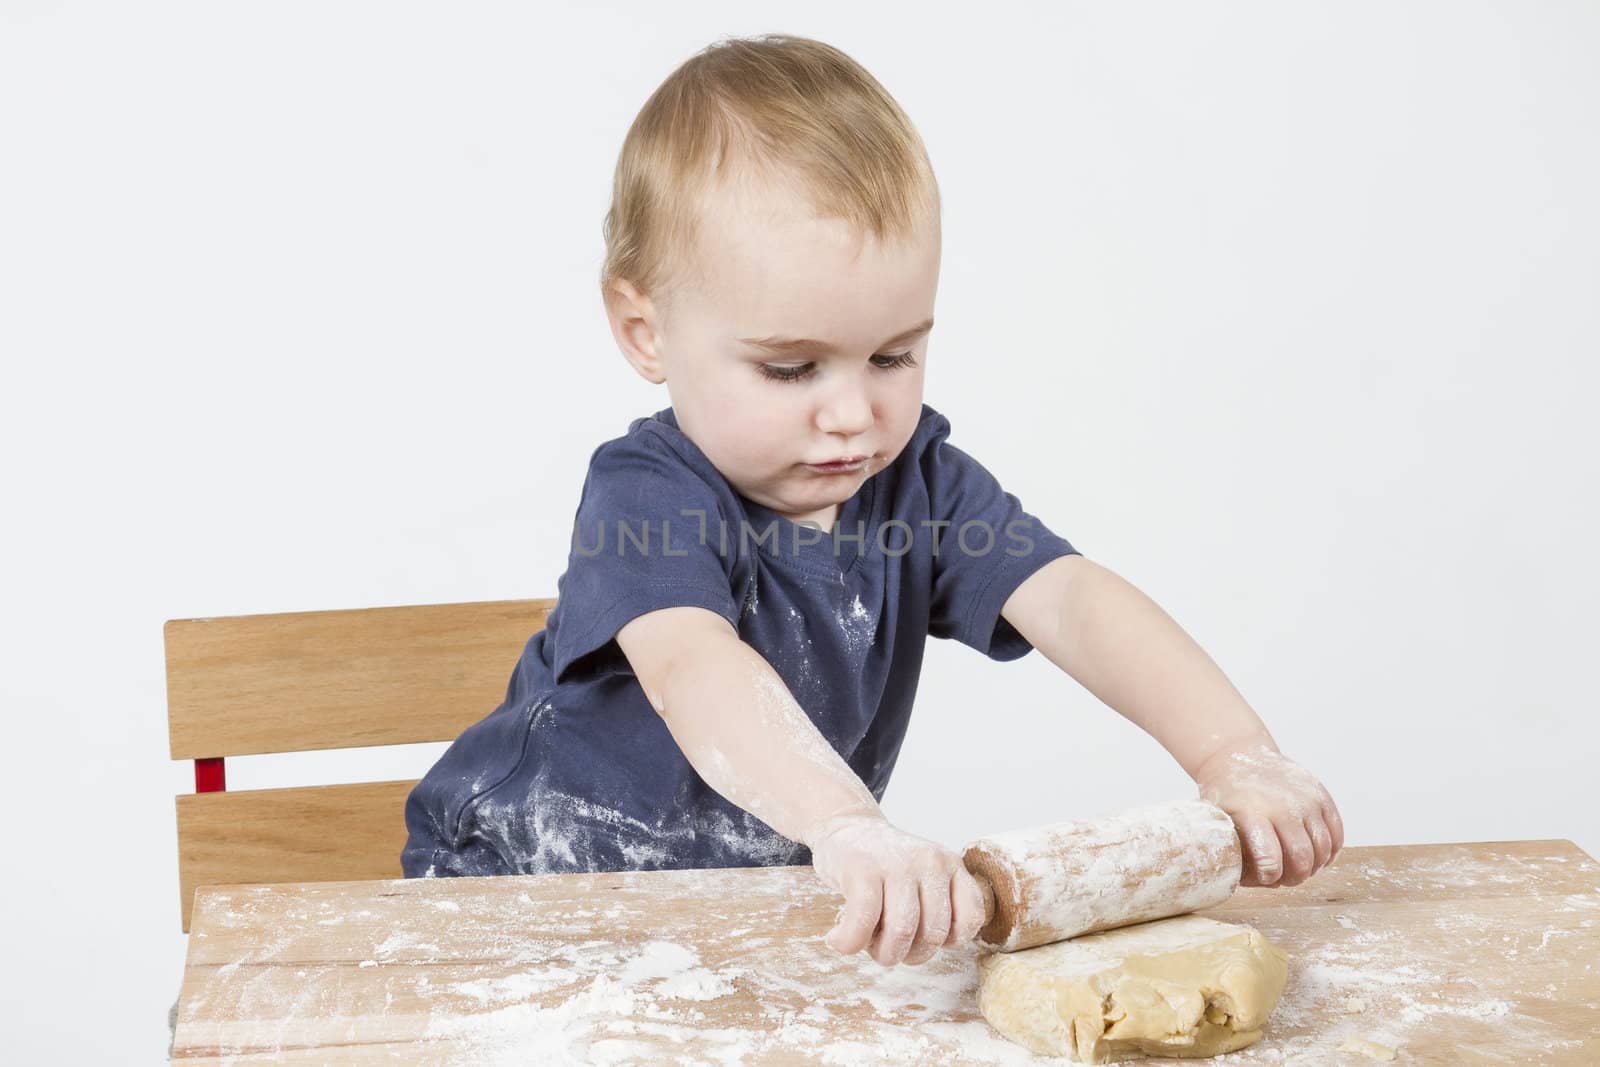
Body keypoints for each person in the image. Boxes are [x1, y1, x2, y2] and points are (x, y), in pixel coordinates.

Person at [401, 33, 1344, 970]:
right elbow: (694, 664)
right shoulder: (649, 495)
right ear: (646, 332)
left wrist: (1234, 754)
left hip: (722, 924)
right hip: (517, 898)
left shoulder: (917, 489)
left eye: (892, 354)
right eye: (791, 366)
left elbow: (1072, 599)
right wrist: (847, 822)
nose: (853, 415)